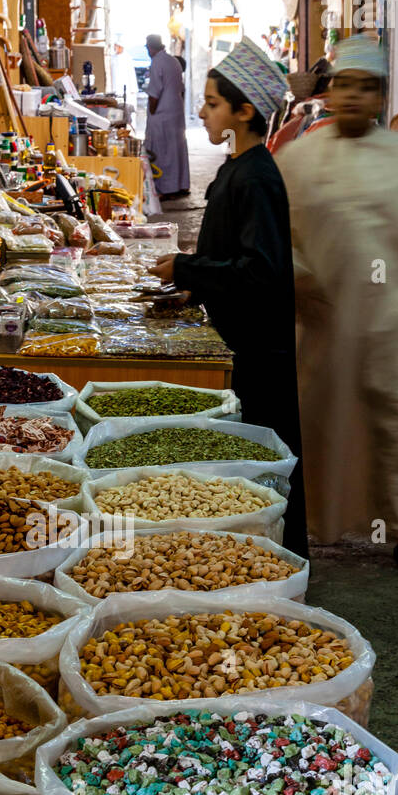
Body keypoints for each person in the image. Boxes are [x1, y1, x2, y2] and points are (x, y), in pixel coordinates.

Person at [276, 35, 398, 580]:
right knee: (321, 428)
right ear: (329, 92)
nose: (354, 96)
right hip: (325, 323)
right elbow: (277, 238)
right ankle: (308, 529)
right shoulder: (299, 158)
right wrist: (300, 283)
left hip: (394, 322)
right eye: (345, 85)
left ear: (381, 95)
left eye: (367, 87)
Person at [149, 37, 308, 558]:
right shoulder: (237, 168)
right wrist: (191, 288)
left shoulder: (257, 177)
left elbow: (261, 270)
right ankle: (249, 556)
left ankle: (277, 562)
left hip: (259, 346)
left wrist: (188, 266)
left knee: (263, 457)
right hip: (238, 333)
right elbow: (233, 257)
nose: (201, 111)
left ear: (244, 111)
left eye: (213, 103)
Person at [144, 34, 190, 201]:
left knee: (162, 151)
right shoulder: (173, 61)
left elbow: (155, 92)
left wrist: (152, 111)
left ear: (149, 48)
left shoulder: (157, 62)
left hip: (162, 113)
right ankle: (181, 185)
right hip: (175, 111)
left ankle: (166, 189)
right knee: (176, 150)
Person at [110, 33, 138, 117]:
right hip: (115, 88)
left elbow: (131, 75)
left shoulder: (127, 58)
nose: (116, 48)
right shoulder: (113, 58)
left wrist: (133, 89)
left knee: (127, 109)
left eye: (117, 46)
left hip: (127, 88)